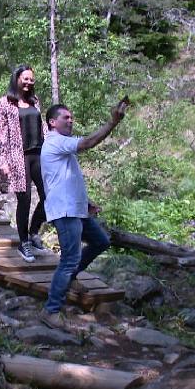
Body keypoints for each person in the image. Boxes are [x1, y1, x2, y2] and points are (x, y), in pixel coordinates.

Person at [38, 100, 128, 329]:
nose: (71, 121)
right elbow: (89, 142)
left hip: (76, 208)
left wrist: (86, 202)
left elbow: (64, 178)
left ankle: (72, 277)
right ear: (52, 122)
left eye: (71, 117)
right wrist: (112, 122)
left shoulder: (62, 147)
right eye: (65, 118)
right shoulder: (55, 142)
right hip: (66, 210)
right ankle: (51, 311)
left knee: (100, 241)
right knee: (69, 259)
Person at [0, 65, 49, 262]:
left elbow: (42, 127)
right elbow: (0, 134)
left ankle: (34, 232)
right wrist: (3, 162)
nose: (28, 83)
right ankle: (23, 242)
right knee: (24, 199)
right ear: (16, 79)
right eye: (25, 79)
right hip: (18, 156)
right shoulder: (5, 103)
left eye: (31, 80)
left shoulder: (35, 101)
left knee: (48, 195)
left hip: (39, 154)